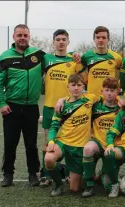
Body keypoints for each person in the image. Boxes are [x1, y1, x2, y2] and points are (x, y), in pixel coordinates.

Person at [0, 24, 44, 187]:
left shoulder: (38, 55)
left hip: (31, 107)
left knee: (31, 143)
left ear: (29, 36)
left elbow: (57, 61)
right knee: (10, 143)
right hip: (12, 107)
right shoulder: (5, 56)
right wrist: (1, 103)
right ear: (14, 37)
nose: (22, 38)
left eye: (25, 35)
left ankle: (33, 174)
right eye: (19, 35)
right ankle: (8, 174)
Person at [40, 29, 84, 186]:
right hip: (50, 106)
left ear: (68, 42)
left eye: (63, 39)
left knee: (69, 141)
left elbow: (82, 80)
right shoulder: (46, 59)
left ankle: (68, 172)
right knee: (48, 142)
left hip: (70, 107)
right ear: (53, 42)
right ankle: (46, 174)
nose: (60, 42)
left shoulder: (74, 60)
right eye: (57, 39)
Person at [44, 74, 100, 196]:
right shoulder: (62, 105)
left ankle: (63, 169)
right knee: (48, 159)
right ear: (68, 86)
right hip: (63, 142)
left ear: (83, 86)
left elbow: (106, 98)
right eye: (73, 85)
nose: (76, 88)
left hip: (80, 147)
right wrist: (51, 141)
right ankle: (58, 185)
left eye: (79, 85)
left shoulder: (90, 99)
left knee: (75, 189)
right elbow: (54, 126)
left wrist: (119, 99)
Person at [81, 77, 120, 198]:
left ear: (117, 92)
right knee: (87, 149)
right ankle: (89, 185)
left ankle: (105, 175)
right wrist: (61, 100)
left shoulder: (121, 108)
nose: (109, 93)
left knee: (107, 186)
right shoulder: (95, 105)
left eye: (112, 91)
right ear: (102, 91)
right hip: (97, 142)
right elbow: (76, 100)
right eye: (107, 90)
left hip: (114, 145)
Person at [81, 26, 123, 96]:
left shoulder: (117, 57)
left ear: (108, 39)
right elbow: (80, 74)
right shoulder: (86, 56)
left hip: (109, 98)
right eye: (97, 37)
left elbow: (120, 76)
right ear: (94, 39)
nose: (100, 40)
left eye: (104, 37)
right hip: (91, 97)